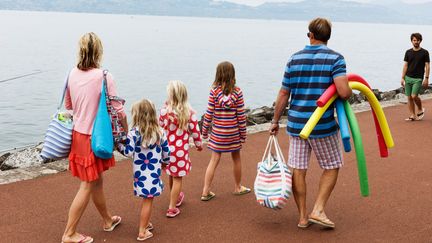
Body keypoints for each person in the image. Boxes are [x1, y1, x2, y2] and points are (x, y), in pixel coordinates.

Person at [269, 18, 352, 229]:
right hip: (323, 126)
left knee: (298, 169)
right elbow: (343, 92)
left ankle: (303, 217)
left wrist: (275, 120)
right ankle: (318, 209)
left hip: (297, 124)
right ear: (327, 37)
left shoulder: (294, 59)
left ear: (311, 35)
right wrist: (350, 89)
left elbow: (283, 93)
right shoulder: (336, 59)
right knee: (332, 165)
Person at [62, 32, 128, 243]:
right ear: (99, 51)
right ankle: (69, 233)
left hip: (78, 135)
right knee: (87, 185)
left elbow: (69, 107)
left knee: (96, 181)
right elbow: (118, 110)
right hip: (96, 137)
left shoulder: (71, 73)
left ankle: (107, 221)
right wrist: (126, 132)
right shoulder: (105, 76)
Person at [117, 99, 170, 241]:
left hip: (140, 174)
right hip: (153, 173)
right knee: (148, 200)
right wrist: (165, 163)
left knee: (146, 199)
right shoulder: (160, 132)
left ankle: (145, 223)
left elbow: (128, 152)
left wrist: (118, 146)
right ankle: (142, 231)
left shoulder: (134, 133)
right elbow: (166, 152)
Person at [201, 61, 250, 201]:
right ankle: (238, 186)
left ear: (218, 75)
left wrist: (204, 132)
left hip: (218, 133)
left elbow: (209, 113)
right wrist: (243, 135)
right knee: (236, 158)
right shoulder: (238, 92)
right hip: (233, 133)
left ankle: (206, 191)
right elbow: (241, 116)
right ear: (232, 74)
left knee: (214, 160)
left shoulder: (214, 92)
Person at [159, 80, 203, 217]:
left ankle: (175, 198)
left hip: (165, 149)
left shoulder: (164, 111)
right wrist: (199, 144)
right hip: (180, 151)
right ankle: (172, 207)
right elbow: (195, 131)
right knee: (178, 177)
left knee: (171, 174)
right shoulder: (189, 112)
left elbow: (159, 127)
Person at [401, 32, 430, 121]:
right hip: (408, 77)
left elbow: (427, 66)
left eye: (417, 40)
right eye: (414, 40)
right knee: (409, 97)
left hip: (418, 78)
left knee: (414, 96)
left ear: (420, 41)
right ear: (411, 41)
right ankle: (412, 115)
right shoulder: (408, 52)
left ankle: (420, 108)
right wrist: (402, 77)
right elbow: (405, 65)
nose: (416, 42)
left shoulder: (425, 52)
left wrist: (426, 78)